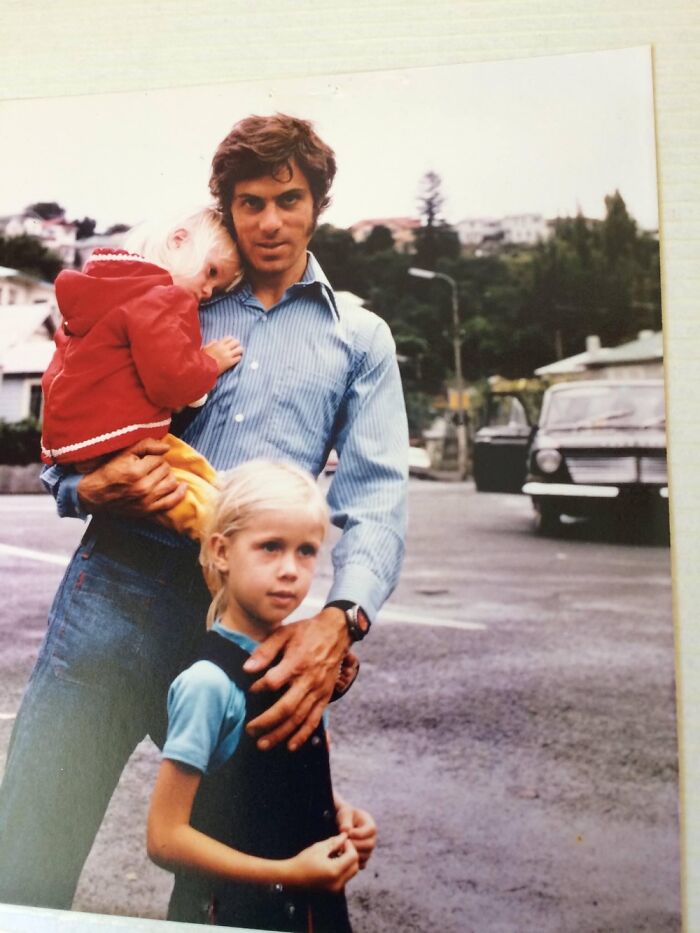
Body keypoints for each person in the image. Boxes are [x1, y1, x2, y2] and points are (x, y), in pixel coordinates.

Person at [0, 112, 408, 911]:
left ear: (319, 203)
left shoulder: (358, 337)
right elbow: (73, 414)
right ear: (225, 207)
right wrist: (81, 490)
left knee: (235, 870)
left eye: (289, 200)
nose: (270, 222)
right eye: (250, 203)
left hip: (239, 619)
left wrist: (341, 618)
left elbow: (377, 492)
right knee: (32, 845)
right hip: (113, 590)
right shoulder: (177, 295)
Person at [147, 460, 376, 930]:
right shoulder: (208, 683)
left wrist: (339, 816)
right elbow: (165, 837)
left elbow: (284, 782)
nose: (290, 570)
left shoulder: (304, 670)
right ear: (222, 551)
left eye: (306, 551)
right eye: (270, 547)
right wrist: (288, 874)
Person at [40, 207, 243, 538]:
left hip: (81, 445)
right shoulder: (159, 298)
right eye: (210, 272)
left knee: (195, 470)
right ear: (178, 241)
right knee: (188, 500)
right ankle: (230, 541)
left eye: (216, 288)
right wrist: (210, 361)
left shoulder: (106, 290)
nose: (207, 291)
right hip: (124, 441)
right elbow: (173, 383)